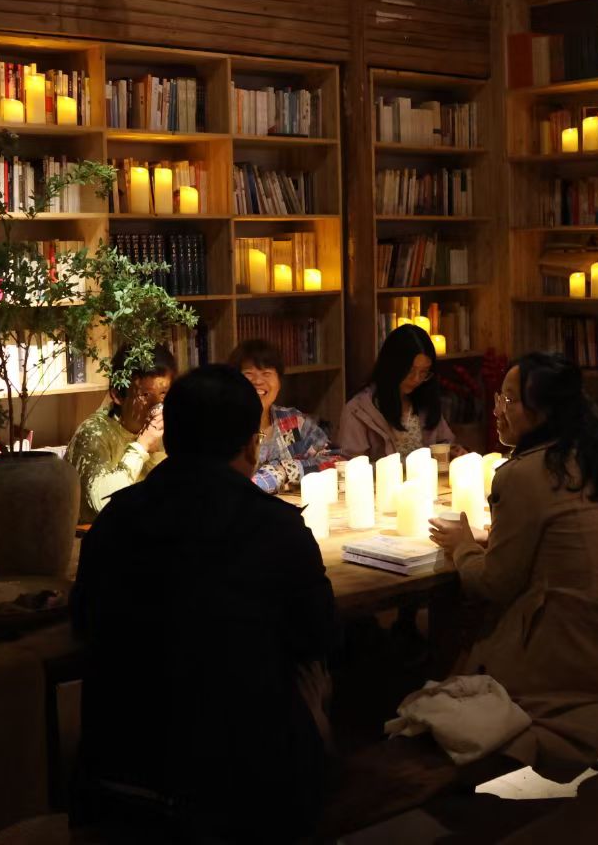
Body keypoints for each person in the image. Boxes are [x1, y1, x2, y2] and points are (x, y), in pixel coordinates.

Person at [71, 365, 338, 843]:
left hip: (121, 780)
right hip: (243, 791)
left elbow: (83, 621)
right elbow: (319, 635)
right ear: (252, 445)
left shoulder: (114, 521)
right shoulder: (276, 527)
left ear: (170, 438)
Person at [429, 353, 598, 779]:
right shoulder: (595, 457)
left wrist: (462, 547)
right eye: (499, 397)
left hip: (569, 649)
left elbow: (494, 583)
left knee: (460, 634)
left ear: (544, 410)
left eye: (510, 400)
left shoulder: (522, 474)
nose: (497, 409)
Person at [66, 345, 175, 520]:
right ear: (117, 395)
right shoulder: (93, 434)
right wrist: (141, 447)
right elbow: (104, 504)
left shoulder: (170, 428)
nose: (156, 406)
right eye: (145, 395)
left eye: (163, 393)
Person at [228, 338, 341, 494]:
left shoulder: (292, 422)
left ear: (279, 383)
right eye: (248, 374)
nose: (258, 381)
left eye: (266, 373)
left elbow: (335, 460)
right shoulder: (223, 427)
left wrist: (285, 471)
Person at [335, 324, 458, 460]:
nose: (417, 379)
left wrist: (453, 452)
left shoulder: (424, 401)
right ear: (392, 366)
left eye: (424, 372)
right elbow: (350, 464)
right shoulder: (359, 410)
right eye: (410, 371)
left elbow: (445, 443)